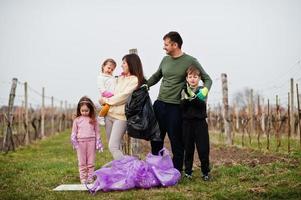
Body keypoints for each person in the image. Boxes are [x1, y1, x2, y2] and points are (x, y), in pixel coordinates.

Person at [147, 31, 212, 172]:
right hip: (159, 104)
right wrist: (146, 85)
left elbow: (207, 79)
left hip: (175, 107)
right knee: (156, 139)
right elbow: (156, 76)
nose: (164, 47)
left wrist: (204, 91)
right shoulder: (165, 60)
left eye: (166, 44)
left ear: (175, 45)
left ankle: (177, 171)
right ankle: (155, 170)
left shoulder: (190, 61)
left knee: (176, 141)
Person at [99, 53, 146, 160]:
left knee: (113, 146)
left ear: (131, 64)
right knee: (116, 147)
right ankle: (120, 172)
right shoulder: (119, 78)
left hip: (121, 118)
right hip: (108, 115)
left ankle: (128, 168)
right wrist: (102, 98)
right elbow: (109, 90)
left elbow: (123, 97)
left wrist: (107, 100)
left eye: (124, 63)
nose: (122, 65)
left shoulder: (135, 80)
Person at [180, 66, 210, 181]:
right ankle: (188, 172)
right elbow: (182, 107)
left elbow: (201, 105)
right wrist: (187, 99)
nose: (192, 79)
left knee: (203, 148)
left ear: (199, 78)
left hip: (200, 123)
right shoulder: (183, 91)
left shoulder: (203, 90)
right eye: (190, 77)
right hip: (187, 123)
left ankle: (205, 172)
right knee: (188, 148)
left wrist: (193, 97)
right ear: (187, 78)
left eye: (195, 77)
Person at [70, 96, 103, 184]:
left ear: (90, 110)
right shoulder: (77, 120)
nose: (84, 112)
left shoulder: (93, 120)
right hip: (80, 143)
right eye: (82, 111)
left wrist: (98, 142)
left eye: (86, 111)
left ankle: (90, 177)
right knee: (82, 161)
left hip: (91, 142)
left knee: (91, 161)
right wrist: (74, 140)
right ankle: (83, 178)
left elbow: (97, 131)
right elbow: (74, 132)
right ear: (79, 110)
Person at [97, 58, 117, 126]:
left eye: (112, 69)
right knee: (107, 106)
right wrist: (111, 95)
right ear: (103, 66)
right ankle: (100, 116)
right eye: (108, 68)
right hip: (106, 96)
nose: (110, 70)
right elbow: (102, 90)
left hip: (113, 96)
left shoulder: (111, 77)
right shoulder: (101, 77)